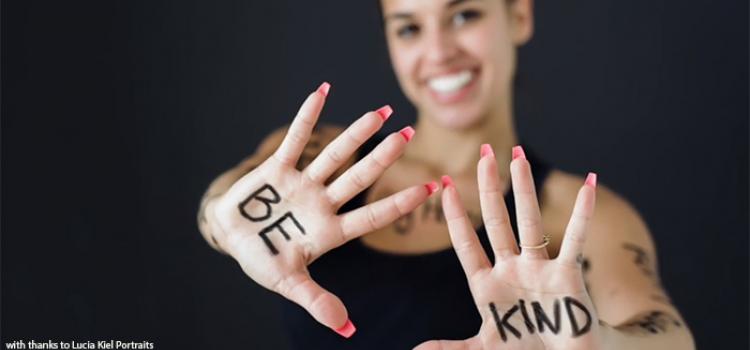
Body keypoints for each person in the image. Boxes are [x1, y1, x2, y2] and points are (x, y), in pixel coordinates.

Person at [197, 0, 695, 348]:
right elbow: (232, 198)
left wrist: (598, 342)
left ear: (518, 14)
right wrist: (223, 218)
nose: (437, 53)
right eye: (409, 27)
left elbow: (665, 332)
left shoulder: (575, 212)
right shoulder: (326, 158)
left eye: (463, 14)